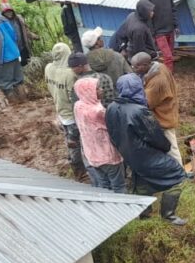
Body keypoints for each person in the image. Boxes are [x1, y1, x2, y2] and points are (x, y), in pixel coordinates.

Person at [106, 74, 187, 225]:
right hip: (147, 155)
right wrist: (165, 147)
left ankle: (144, 216)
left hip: (129, 156)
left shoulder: (111, 108)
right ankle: (168, 215)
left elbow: (112, 133)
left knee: (142, 181)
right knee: (178, 176)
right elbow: (155, 136)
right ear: (138, 89)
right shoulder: (139, 111)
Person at [73, 77, 126, 193]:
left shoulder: (78, 106)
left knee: (103, 185)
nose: (102, 90)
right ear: (89, 92)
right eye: (97, 88)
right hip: (107, 155)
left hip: (90, 154)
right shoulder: (98, 111)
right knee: (118, 185)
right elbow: (115, 127)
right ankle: (122, 209)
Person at [131, 52, 182, 165]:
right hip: (169, 109)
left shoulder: (156, 82)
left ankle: (180, 173)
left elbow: (147, 103)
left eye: (136, 66)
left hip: (164, 117)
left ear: (145, 65)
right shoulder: (160, 66)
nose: (133, 69)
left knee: (171, 147)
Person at [45, 42, 86, 178]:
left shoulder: (49, 68)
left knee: (70, 141)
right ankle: (80, 171)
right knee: (78, 142)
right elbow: (74, 97)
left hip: (60, 110)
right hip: (72, 114)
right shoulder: (70, 74)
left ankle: (77, 168)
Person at [141, 0, 178, 72]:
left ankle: (167, 74)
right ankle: (168, 78)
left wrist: (176, 25)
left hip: (170, 28)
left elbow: (172, 8)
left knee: (170, 54)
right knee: (168, 57)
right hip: (159, 32)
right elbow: (147, 18)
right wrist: (153, 34)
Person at [0, 1, 38, 66]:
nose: (9, 13)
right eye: (6, 12)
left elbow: (26, 31)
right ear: (3, 14)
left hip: (23, 47)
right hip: (14, 51)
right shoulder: (2, 24)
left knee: (28, 64)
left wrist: (35, 36)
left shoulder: (18, 19)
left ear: (13, 11)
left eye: (10, 11)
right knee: (20, 66)